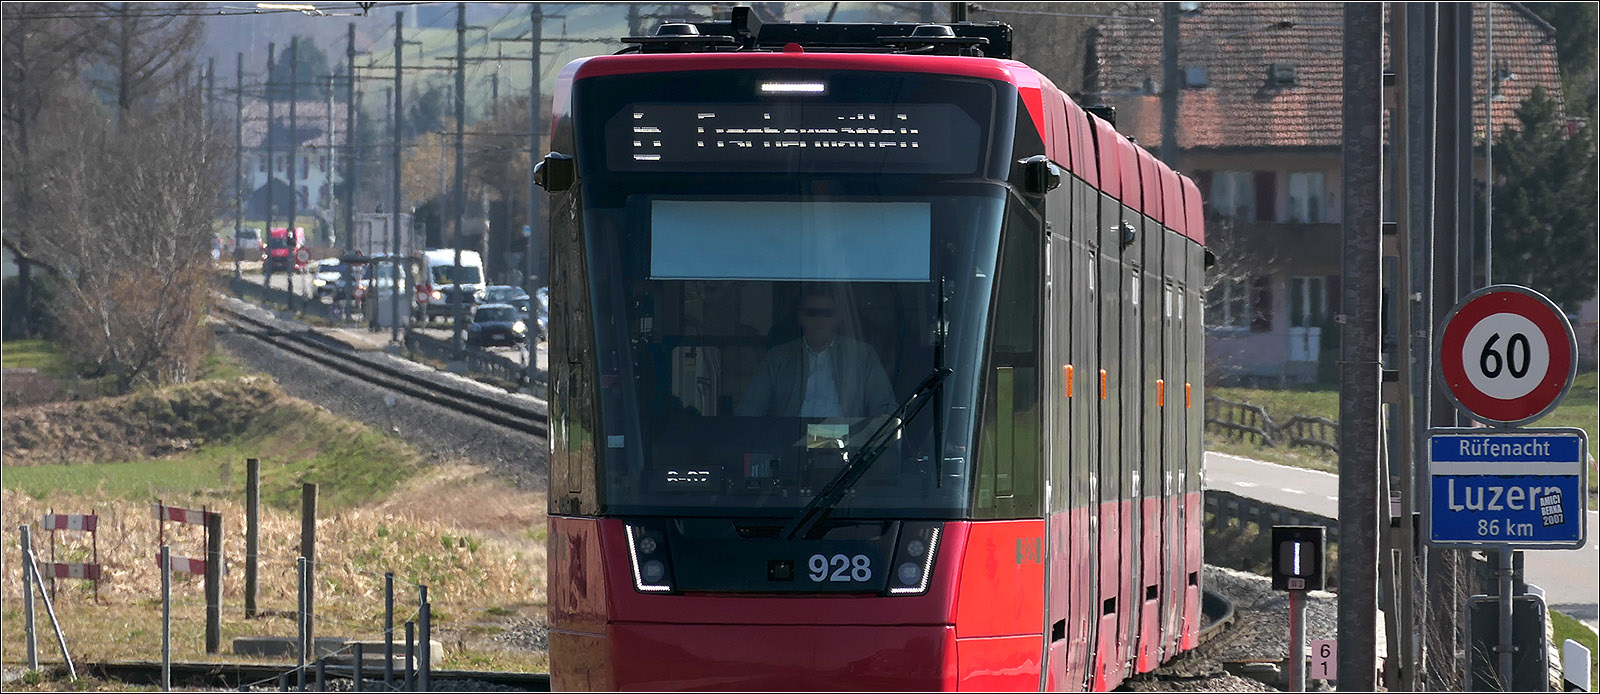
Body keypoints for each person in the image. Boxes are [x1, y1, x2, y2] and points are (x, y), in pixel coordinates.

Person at [737, 286, 896, 418]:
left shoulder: (862, 355)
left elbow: (884, 408)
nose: (819, 320)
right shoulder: (778, 358)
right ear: (800, 316)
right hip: (790, 446)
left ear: (839, 317)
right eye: (811, 313)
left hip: (848, 448)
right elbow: (750, 409)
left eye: (827, 313)